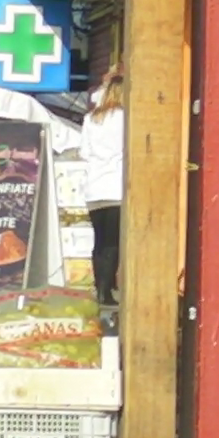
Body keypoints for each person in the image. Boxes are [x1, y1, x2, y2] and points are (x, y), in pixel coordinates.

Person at [82, 65, 125, 307]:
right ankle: (106, 292)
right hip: (116, 188)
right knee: (113, 243)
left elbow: (84, 153)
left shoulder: (91, 119)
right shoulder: (125, 118)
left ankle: (99, 288)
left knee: (99, 242)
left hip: (94, 189)